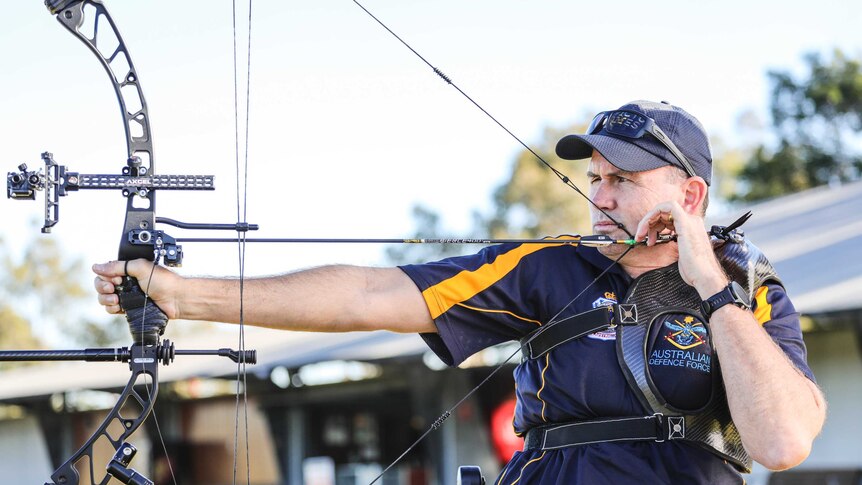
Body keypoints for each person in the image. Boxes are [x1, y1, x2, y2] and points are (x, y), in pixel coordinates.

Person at [93, 100, 826, 484]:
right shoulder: (546, 268)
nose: (599, 197)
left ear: (689, 194)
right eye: (595, 178)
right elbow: (369, 295)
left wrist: (708, 283)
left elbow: (784, 441)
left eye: (623, 180)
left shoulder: (747, 288)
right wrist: (185, 295)